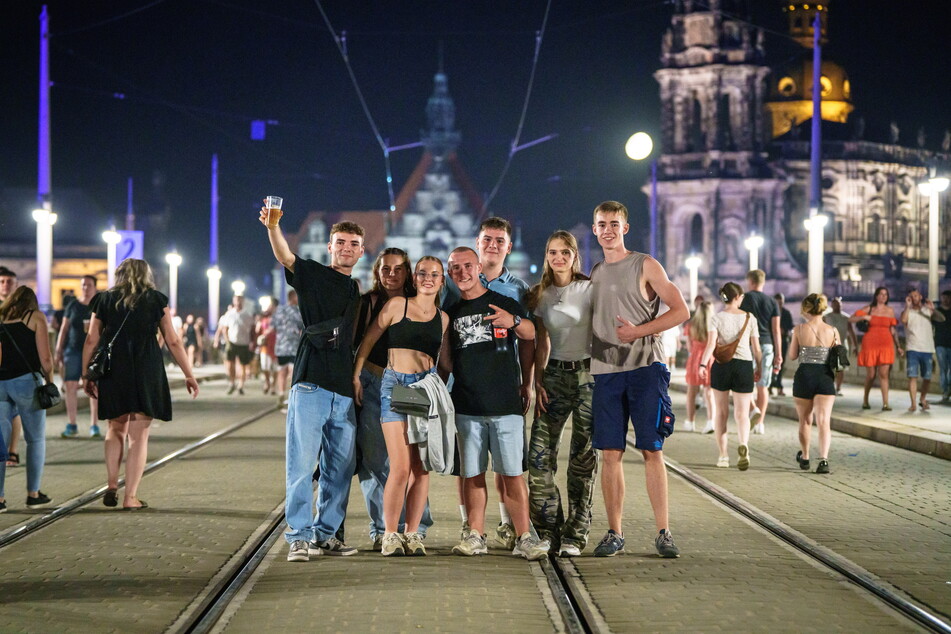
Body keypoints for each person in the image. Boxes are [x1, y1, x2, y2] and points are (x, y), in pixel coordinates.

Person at [260, 203, 365, 562]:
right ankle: (299, 536)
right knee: (302, 465)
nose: (346, 248)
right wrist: (273, 226)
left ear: (361, 250)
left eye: (353, 243)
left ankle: (326, 533)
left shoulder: (355, 289)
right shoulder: (314, 274)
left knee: (340, 468)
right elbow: (286, 256)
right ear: (330, 247)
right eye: (341, 242)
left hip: (343, 391)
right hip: (310, 384)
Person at [589, 201, 687, 558]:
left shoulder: (645, 264)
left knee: (651, 449)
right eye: (602, 224)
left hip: (646, 368)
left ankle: (663, 531)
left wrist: (639, 332)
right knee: (610, 453)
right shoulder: (596, 271)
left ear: (625, 228)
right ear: (595, 229)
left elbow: (681, 310)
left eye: (614, 223)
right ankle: (615, 531)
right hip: (605, 372)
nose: (608, 230)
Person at [443, 247, 548, 560]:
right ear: (450, 274)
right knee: (473, 475)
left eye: (467, 266)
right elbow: (445, 361)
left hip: (505, 404)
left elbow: (531, 333)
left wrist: (512, 320)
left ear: (478, 268)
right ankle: (476, 534)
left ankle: (524, 537)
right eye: (455, 269)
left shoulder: (502, 301)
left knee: (513, 475)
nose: (462, 273)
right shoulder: (450, 310)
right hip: (467, 405)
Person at [82, 259, 199, 510]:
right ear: (147, 275)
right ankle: (130, 497)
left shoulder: (104, 300)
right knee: (139, 436)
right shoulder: (156, 300)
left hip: (114, 371)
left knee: (115, 429)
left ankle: (112, 484)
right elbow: (173, 340)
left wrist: (86, 374)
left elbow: (92, 339)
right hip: (146, 368)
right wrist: (189, 374)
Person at [353, 256, 449, 557]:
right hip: (394, 384)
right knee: (400, 465)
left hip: (424, 387)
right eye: (422, 273)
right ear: (415, 276)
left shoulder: (443, 318)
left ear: (442, 281)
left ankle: (413, 534)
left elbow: (444, 362)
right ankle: (390, 533)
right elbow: (368, 340)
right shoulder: (397, 306)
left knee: (421, 469)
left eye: (434, 274)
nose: (428, 278)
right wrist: (356, 375)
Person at [525, 230, 597, 557]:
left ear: (574, 255)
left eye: (565, 252)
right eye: (553, 252)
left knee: (582, 458)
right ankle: (548, 528)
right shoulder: (539, 294)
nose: (558, 258)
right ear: (547, 256)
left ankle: (575, 534)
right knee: (539, 455)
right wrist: (536, 381)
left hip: (588, 377)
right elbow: (541, 343)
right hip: (553, 376)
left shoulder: (589, 289)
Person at [0, 286, 55, 512]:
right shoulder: (35, 317)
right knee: (35, 440)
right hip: (27, 384)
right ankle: (33, 494)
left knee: (1, 444)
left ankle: (0, 499)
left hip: (1, 385)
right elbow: (45, 357)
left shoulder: (1, 317)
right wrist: (49, 380)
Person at [698, 282, 762, 470]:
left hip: (721, 366)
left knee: (721, 413)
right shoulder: (750, 318)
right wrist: (759, 368)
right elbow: (757, 349)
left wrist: (703, 364)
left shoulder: (716, 318)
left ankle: (723, 456)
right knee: (742, 414)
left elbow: (711, 344)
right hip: (743, 366)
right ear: (737, 297)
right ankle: (743, 445)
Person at [788, 294, 839, 474]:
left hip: (804, 376)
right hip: (825, 376)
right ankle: (823, 460)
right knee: (824, 421)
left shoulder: (799, 329)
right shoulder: (832, 330)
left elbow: (793, 355)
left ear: (806, 309)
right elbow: (838, 355)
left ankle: (806, 457)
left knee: (805, 421)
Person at [55, 275, 100, 438]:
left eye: (88, 285)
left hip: (94, 351)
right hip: (73, 350)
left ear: (95, 287)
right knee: (71, 386)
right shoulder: (73, 305)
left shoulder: (99, 304)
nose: (85, 288)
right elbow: (64, 329)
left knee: (93, 386)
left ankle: (94, 424)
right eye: (83, 285)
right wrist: (58, 350)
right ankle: (72, 423)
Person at [739, 270, 781, 434]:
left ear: (750, 281)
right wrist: (779, 353)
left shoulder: (746, 298)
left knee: (745, 383)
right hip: (768, 345)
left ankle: (753, 408)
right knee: (763, 385)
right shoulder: (772, 302)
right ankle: (760, 423)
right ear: (763, 282)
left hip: (749, 345)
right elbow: (776, 330)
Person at [850, 287, 901, 411]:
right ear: (876, 296)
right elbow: (851, 319)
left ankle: (885, 403)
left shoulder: (890, 311)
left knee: (884, 374)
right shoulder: (869, 309)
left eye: (886, 295)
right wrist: (864, 317)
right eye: (881, 294)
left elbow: (893, 330)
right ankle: (865, 400)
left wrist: (898, 346)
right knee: (871, 375)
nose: (884, 297)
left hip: (886, 344)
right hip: (870, 344)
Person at [900, 289, 945, 412]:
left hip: (927, 348)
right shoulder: (907, 311)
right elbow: (903, 321)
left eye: (916, 295)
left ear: (920, 297)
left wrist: (932, 309)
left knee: (927, 377)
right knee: (912, 376)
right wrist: (907, 307)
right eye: (911, 296)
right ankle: (913, 403)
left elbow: (941, 319)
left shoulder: (927, 311)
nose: (914, 298)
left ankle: (923, 398)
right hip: (913, 348)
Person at [0, 266, 24, 468]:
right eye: (2, 281)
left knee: (13, 411)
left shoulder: (20, 309)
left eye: (9, 281)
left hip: (13, 366)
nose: (5, 285)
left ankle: (12, 451)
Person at [684, 301, 716, 434]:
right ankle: (710, 422)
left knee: (692, 393)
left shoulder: (691, 326)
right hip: (710, 360)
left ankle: (691, 422)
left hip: (695, 360)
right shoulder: (714, 326)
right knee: (709, 393)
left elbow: (689, 347)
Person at [214, 296, 255, 395]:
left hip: (244, 342)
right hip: (232, 342)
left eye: (240, 301)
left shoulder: (248, 314)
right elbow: (224, 328)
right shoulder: (230, 314)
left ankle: (241, 384)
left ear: (243, 302)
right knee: (230, 363)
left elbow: (253, 330)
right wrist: (227, 340)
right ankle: (232, 383)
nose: (238, 303)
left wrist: (252, 341)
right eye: (236, 301)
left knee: (243, 365)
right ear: (234, 302)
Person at [272, 290, 303, 407]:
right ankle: (292, 396)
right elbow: (303, 327)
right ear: (293, 297)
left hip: (281, 346)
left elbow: (273, 326)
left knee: (282, 371)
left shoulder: (279, 310)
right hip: (294, 346)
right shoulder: (299, 311)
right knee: (292, 372)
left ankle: (281, 393)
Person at [823, 298, 858, 395]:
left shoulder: (846, 318)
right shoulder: (826, 317)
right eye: (834, 304)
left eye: (838, 304)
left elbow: (851, 332)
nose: (836, 306)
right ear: (831, 305)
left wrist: (855, 346)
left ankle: (838, 388)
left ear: (841, 305)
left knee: (840, 368)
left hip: (842, 345)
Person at [769, 293, 794, 397]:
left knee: (780, 365)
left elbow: (790, 327)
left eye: (781, 302)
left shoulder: (786, 313)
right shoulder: (770, 312)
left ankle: (779, 386)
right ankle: (770, 386)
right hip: (771, 341)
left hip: (783, 341)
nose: (779, 304)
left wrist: (784, 331)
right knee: (770, 364)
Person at [256, 299, 278, 395]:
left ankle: (273, 385)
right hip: (265, 345)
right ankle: (267, 382)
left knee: (275, 367)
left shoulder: (279, 316)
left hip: (277, 344)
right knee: (265, 366)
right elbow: (257, 330)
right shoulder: (263, 316)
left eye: (269, 305)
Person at [935, 290, 951, 403]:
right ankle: (945, 392)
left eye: (948, 297)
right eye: (944, 297)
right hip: (940, 344)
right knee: (943, 369)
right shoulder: (937, 311)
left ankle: (948, 390)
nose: (946, 300)